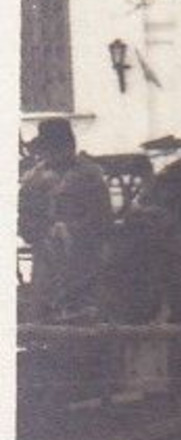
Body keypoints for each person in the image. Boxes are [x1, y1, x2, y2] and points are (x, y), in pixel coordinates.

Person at [19, 118, 114, 321]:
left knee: (85, 321)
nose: (54, 154)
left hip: (85, 267)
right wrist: (47, 231)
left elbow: (104, 222)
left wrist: (71, 229)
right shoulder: (32, 182)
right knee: (44, 324)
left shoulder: (91, 177)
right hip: (47, 271)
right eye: (49, 149)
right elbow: (25, 225)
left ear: (70, 147)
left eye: (60, 148)